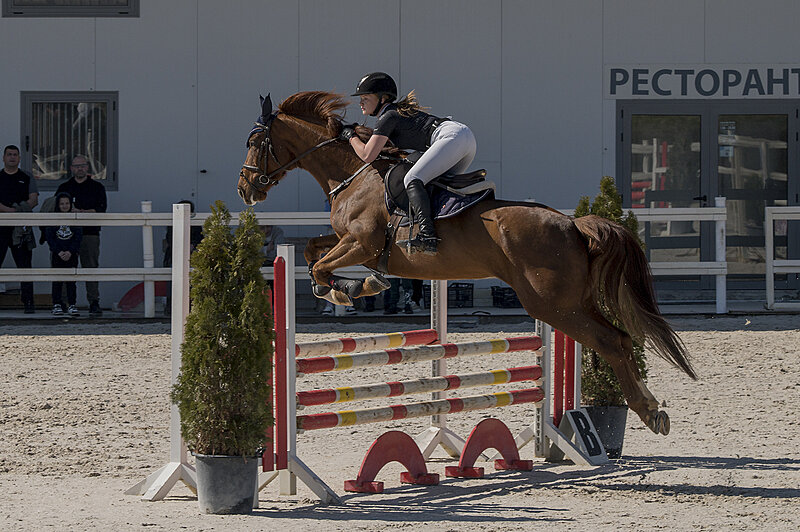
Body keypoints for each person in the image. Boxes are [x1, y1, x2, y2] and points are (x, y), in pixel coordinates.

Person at [342, 72, 477, 254]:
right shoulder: (392, 114)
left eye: (366, 98)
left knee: (412, 178)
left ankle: (428, 236)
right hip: (463, 139)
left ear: (383, 99)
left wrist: (351, 137)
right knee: (435, 184)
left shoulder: (387, 116)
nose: (361, 102)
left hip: (451, 137)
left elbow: (367, 155)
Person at [56, 154, 107, 316]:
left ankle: (94, 302)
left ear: (87, 167)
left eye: (83, 165)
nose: (80, 168)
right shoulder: (64, 188)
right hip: (66, 236)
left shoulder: (97, 187)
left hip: (89, 233)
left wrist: (81, 212)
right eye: (77, 166)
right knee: (66, 269)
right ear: (71, 168)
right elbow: (56, 209)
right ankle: (66, 302)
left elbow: (101, 210)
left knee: (90, 267)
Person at [0, 145, 39, 313]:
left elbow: (34, 200)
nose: (12, 157)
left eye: (15, 155)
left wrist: (20, 210)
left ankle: (28, 302)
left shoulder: (27, 177)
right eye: (9, 154)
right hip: (1, 228)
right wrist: (8, 211)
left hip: (21, 229)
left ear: (19, 158)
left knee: (25, 266)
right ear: (3, 157)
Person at [46, 193, 82, 316]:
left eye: (67, 203)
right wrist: (59, 251)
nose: (65, 206)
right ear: (58, 205)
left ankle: (72, 304)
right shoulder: (53, 218)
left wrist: (70, 251)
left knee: (71, 280)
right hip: (57, 254)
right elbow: (50, 238)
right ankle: (56, 304)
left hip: (72, 254)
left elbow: (78, 237)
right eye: (62, 203)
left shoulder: (74, 218)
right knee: (57, 280)